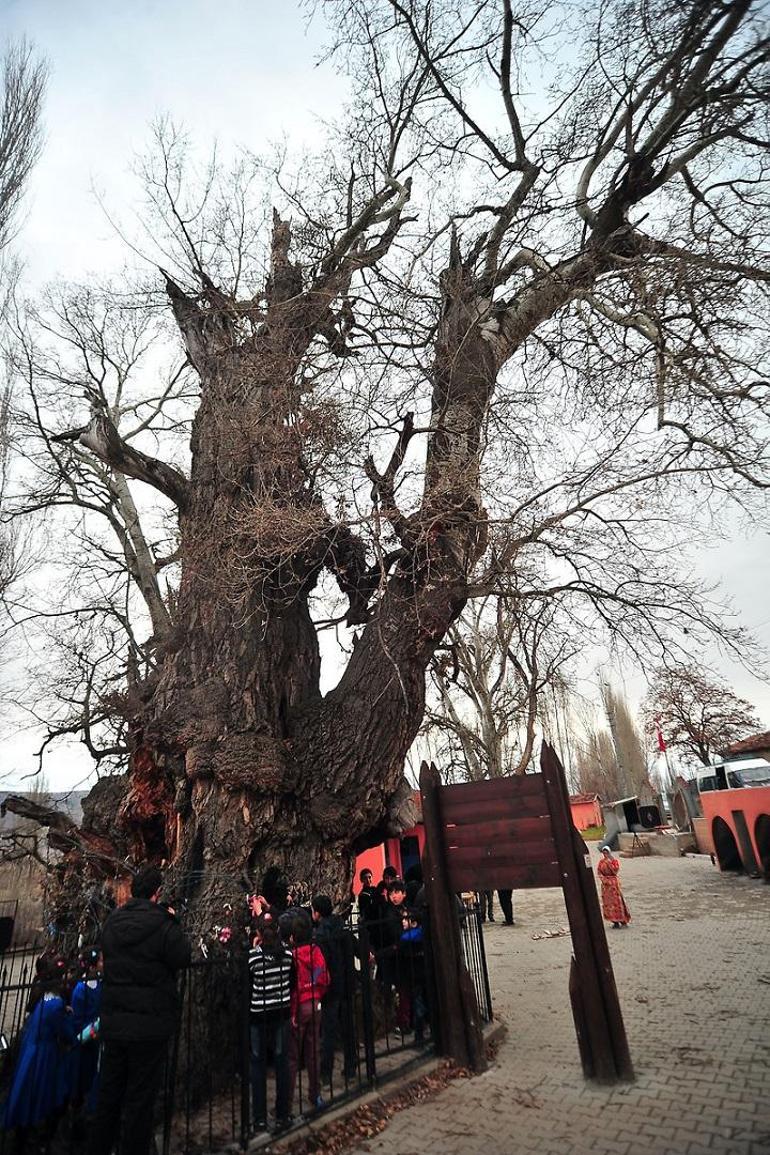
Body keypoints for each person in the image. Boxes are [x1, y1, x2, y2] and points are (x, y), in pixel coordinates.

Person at [86, 864, 191, 1155]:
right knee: (140, 1100)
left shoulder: (113, 922)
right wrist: (174, 922)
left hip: (114, 1022)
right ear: (157, 893)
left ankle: (100, 1147)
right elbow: (183, 956)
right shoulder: (162, 924)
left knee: (109, 1096)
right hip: (149, 1026)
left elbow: (107, 956)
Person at [3, 956, 76, 1137]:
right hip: (44, 1052)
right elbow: (66, 1032)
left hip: (31, 1047)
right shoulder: (57, 1004)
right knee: (42, 1090)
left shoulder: (44, 997)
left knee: (26, 1088)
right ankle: (37, 1128)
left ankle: (24, 1125)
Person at [248, 917, 295, 1134]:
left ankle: (258, 1118)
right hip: (282, 1012)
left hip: (259, 1014)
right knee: (281, 1061)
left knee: (257, 1064)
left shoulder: (253, 958)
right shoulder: (287, 955)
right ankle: (283, 1114)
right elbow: (292, 982)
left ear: (258, 934)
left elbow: (248, 985)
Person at [311, 895, 357, 1085]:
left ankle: (326, 1074)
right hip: (346, 982)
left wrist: (315, 983)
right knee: (348, 1029)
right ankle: (351, 1068)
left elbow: (320, 965)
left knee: (328, 1033)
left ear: (317, 912)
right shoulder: (341, 927)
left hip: (330, 988)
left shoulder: (320, 935)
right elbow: (354, 947)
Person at [288, 911, 330, 1115]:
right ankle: (316, 1093)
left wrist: (294, 1010)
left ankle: (286, 1102)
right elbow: (322, 974)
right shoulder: (315, 951)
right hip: (315, 1003)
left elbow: (293, 986)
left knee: (293, 1056)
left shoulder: (293, 956)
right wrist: (315, 987)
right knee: (314, 1051)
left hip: (300, 1005)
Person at [597, 846, 631, 928]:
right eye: (604, 853)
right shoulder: (601, 862)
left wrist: (609, 862)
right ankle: (614, 921)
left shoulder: (613, 861)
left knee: (617, 902)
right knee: (608, 903)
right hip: (606, 885)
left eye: (606, 853)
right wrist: (603, 879)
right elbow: (599, 871)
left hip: (614, 884)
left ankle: (622, 920)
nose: (605, 854)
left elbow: (615, 870)